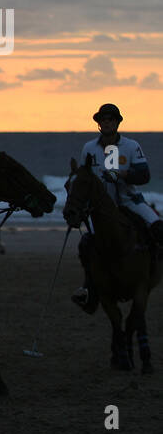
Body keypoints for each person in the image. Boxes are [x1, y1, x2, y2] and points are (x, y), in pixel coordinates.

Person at [71, 103, 162, 310]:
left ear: (118, 122)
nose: (107, 122)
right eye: (103, 119)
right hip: (102, 209)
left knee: (158, 228)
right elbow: (85, 178)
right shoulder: (89, 148)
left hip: (131, 201)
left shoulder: (131, 146)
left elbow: (144, 176)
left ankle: (151, 275)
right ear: (99, 124)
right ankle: (89, 289)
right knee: (86, 244)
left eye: (111, 119)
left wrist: (123, 174)